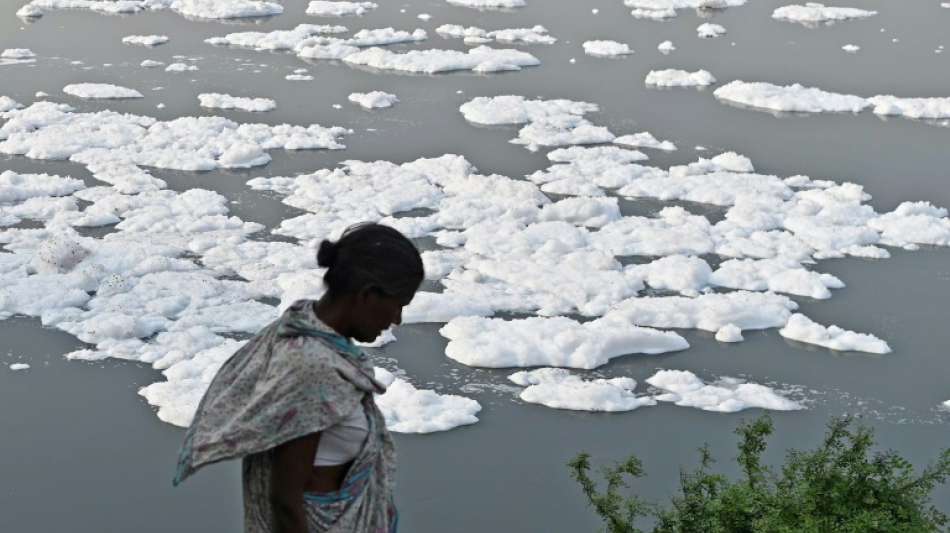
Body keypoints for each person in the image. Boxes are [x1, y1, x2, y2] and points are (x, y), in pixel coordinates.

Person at [173, 222, 424, 533]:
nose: (397, 319)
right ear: (368, 295)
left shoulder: (304, 331)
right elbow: (285, 498)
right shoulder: (312, 369)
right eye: (398, 305)